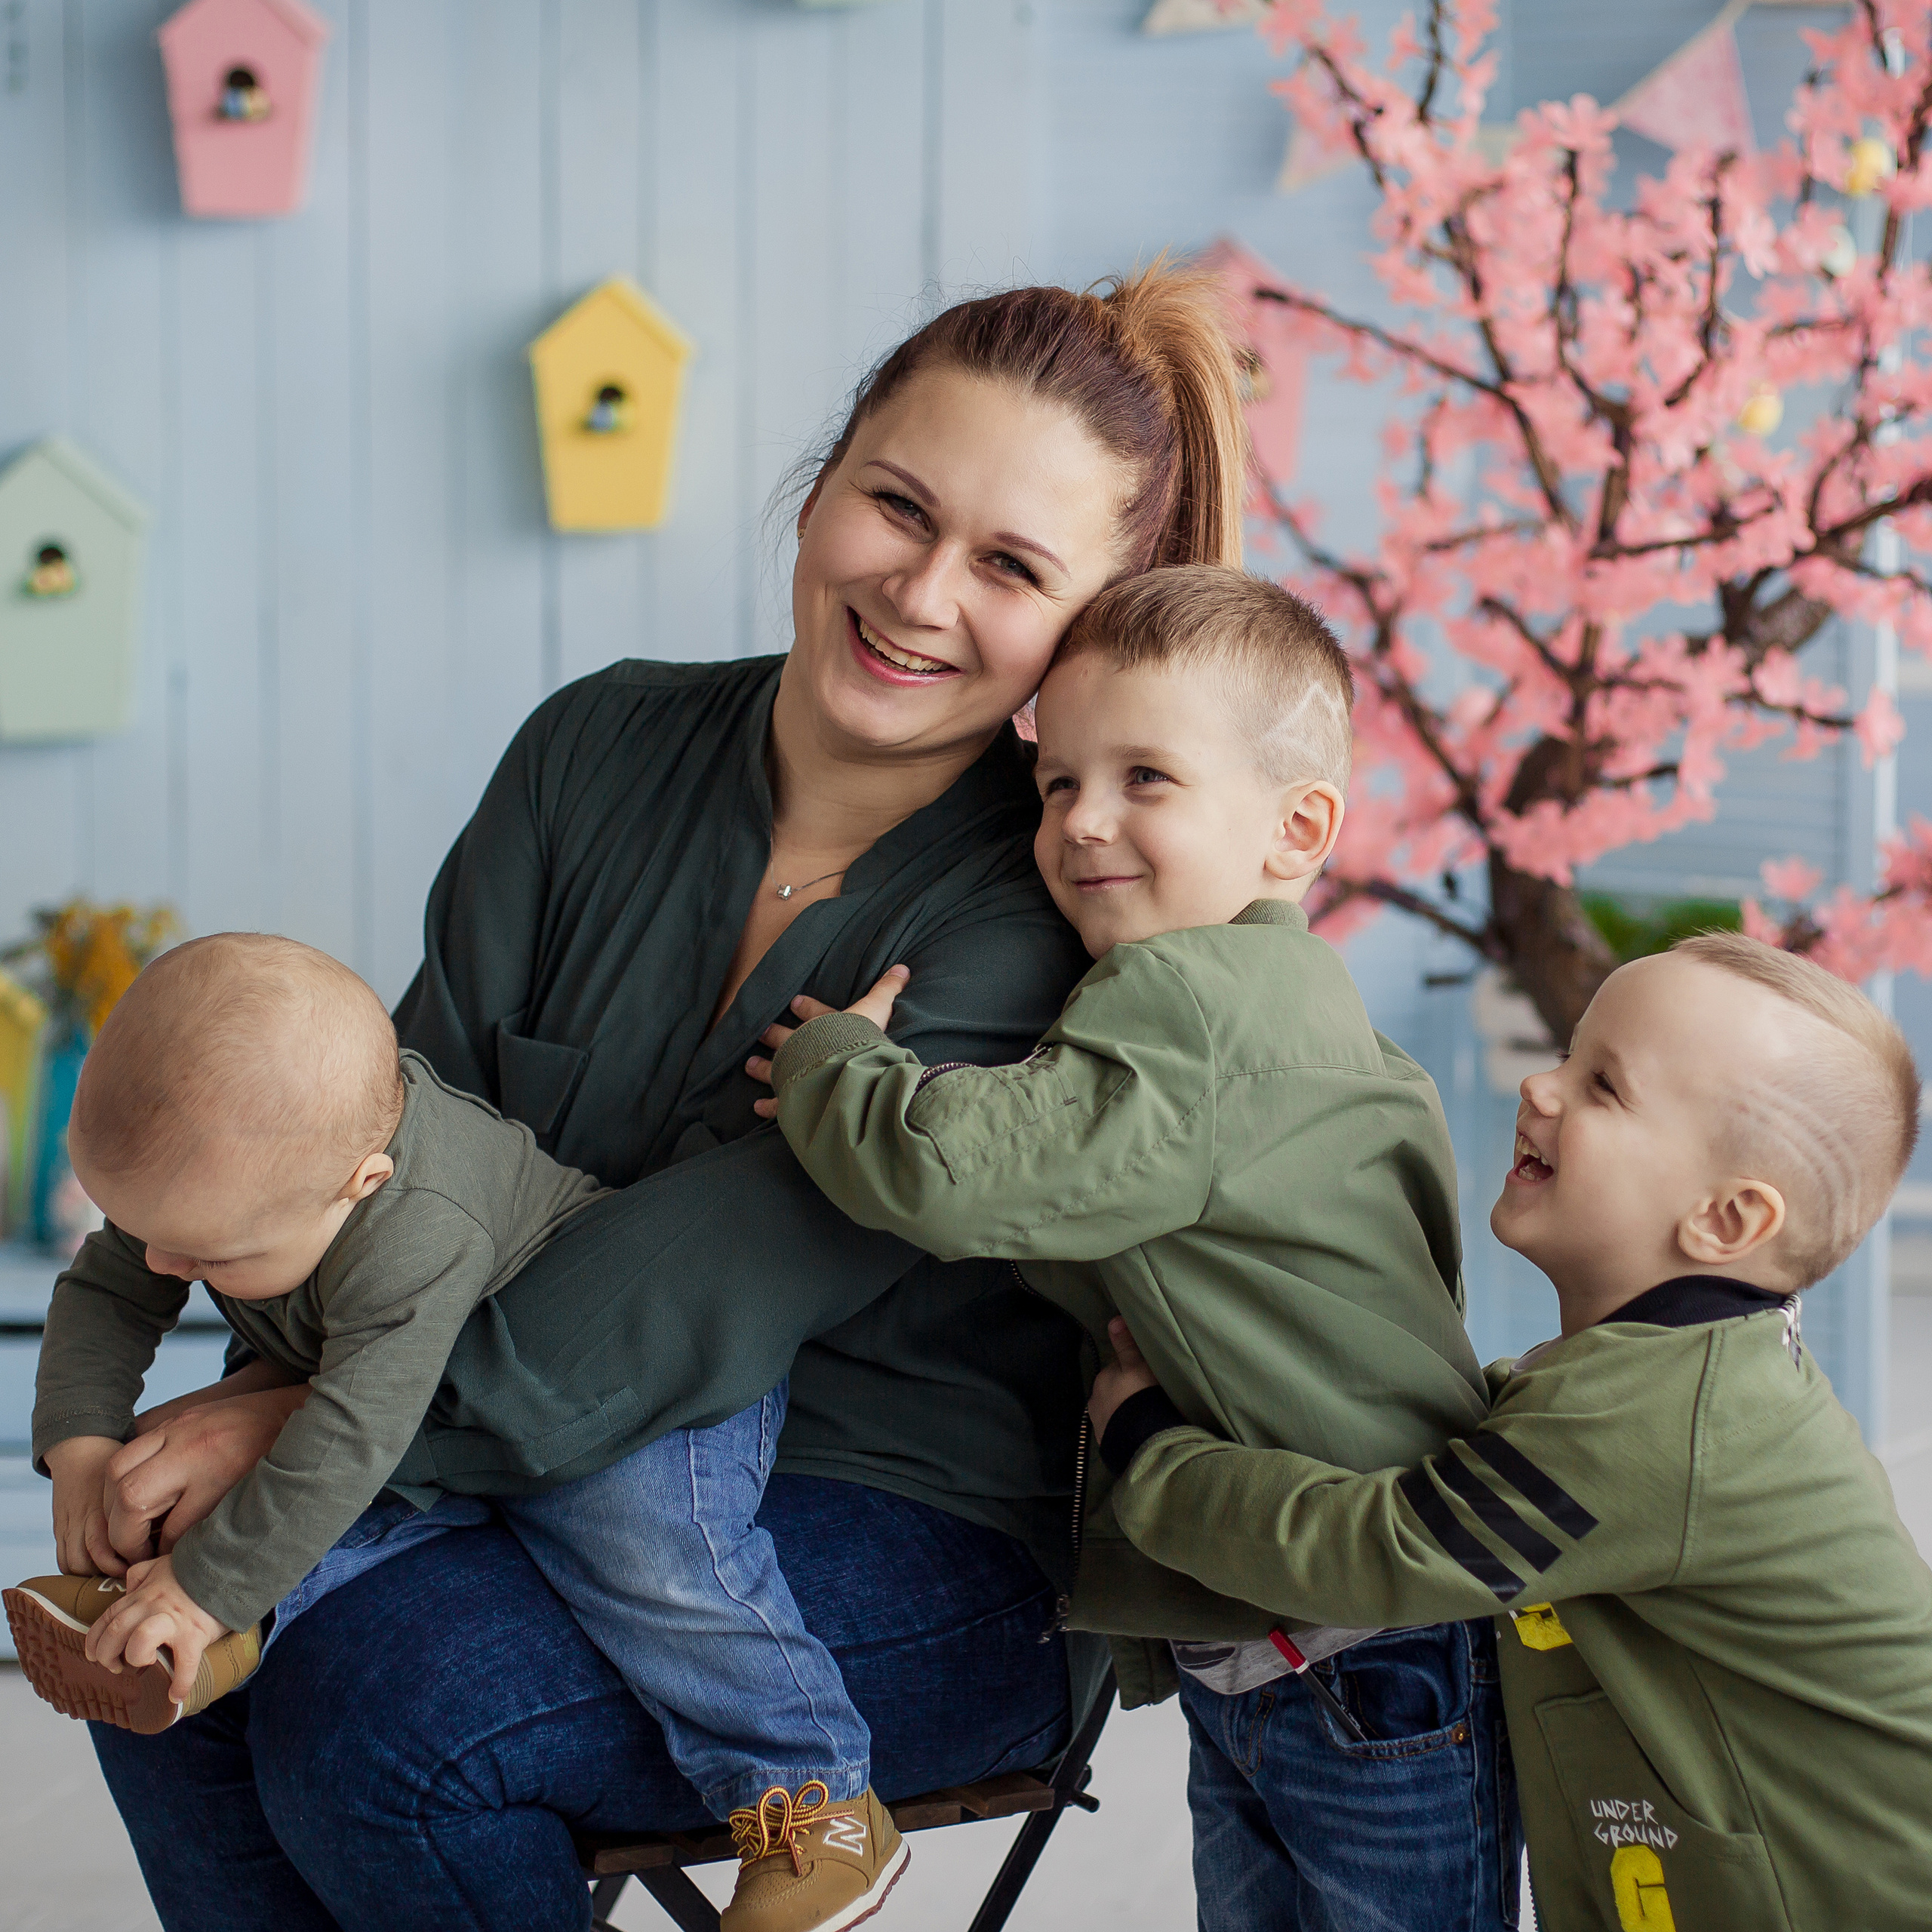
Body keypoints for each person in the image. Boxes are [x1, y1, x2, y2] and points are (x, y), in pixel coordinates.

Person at [74, 266, 1256, 1932]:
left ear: (1091, 613)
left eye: (1008, 566)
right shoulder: (591, 751)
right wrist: (231, 1440)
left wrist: (284, 1435)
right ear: (822, 478)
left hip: (901, 1534)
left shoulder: (1034, 906)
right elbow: (366, 1163)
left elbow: (667, 1302)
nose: (918, 593)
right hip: (502, 1472)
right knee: (165, 1664)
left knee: (384, 1718)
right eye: (894, 506)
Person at [758, 564, 1518, 1931]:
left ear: (1296, 831)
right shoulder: (1327, 1026)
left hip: (1346, 1646)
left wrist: (836, 1066)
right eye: (1058, 783)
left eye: (1146, 780)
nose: (1083, 821)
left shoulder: (1187, 999)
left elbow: (951, 1175)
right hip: (1342, 1638)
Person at [14, 931, 901, 1932]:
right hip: (457, 1410)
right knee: (351, 1522)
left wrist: (210, 1573)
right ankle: (200, 1632)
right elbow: (105, 1296)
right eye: (147, 1231)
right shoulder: (212, 1186)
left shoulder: (417, 1227)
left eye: (211, 1254)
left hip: (625, 1396)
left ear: (360, 1180)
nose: (166, 1264)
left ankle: (814, 1796)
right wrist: (82, 1444)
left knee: (644, 1553)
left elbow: (351, 1436)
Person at [1090, 932, 1932, 1932]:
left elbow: (1377, 1549)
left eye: (1604, 1086)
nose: (1541, 1088)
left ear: (1726, 1220)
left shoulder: (1662, 1424)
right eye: (1567, 1053)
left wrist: (1148, 1447)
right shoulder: (1658, 1377)